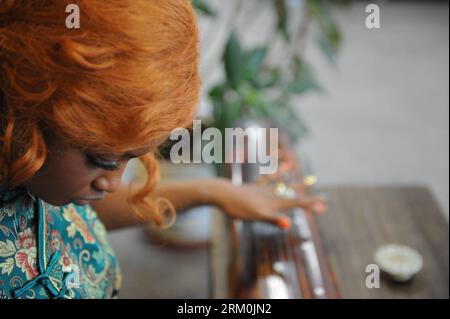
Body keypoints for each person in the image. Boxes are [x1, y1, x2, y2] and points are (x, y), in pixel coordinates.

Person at [0, 0, 325, 299]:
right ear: (27, 107)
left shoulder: (47, 177)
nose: (113, 183)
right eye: (101, 159)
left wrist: (214, 192)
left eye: (132, 157)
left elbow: (84, 214)